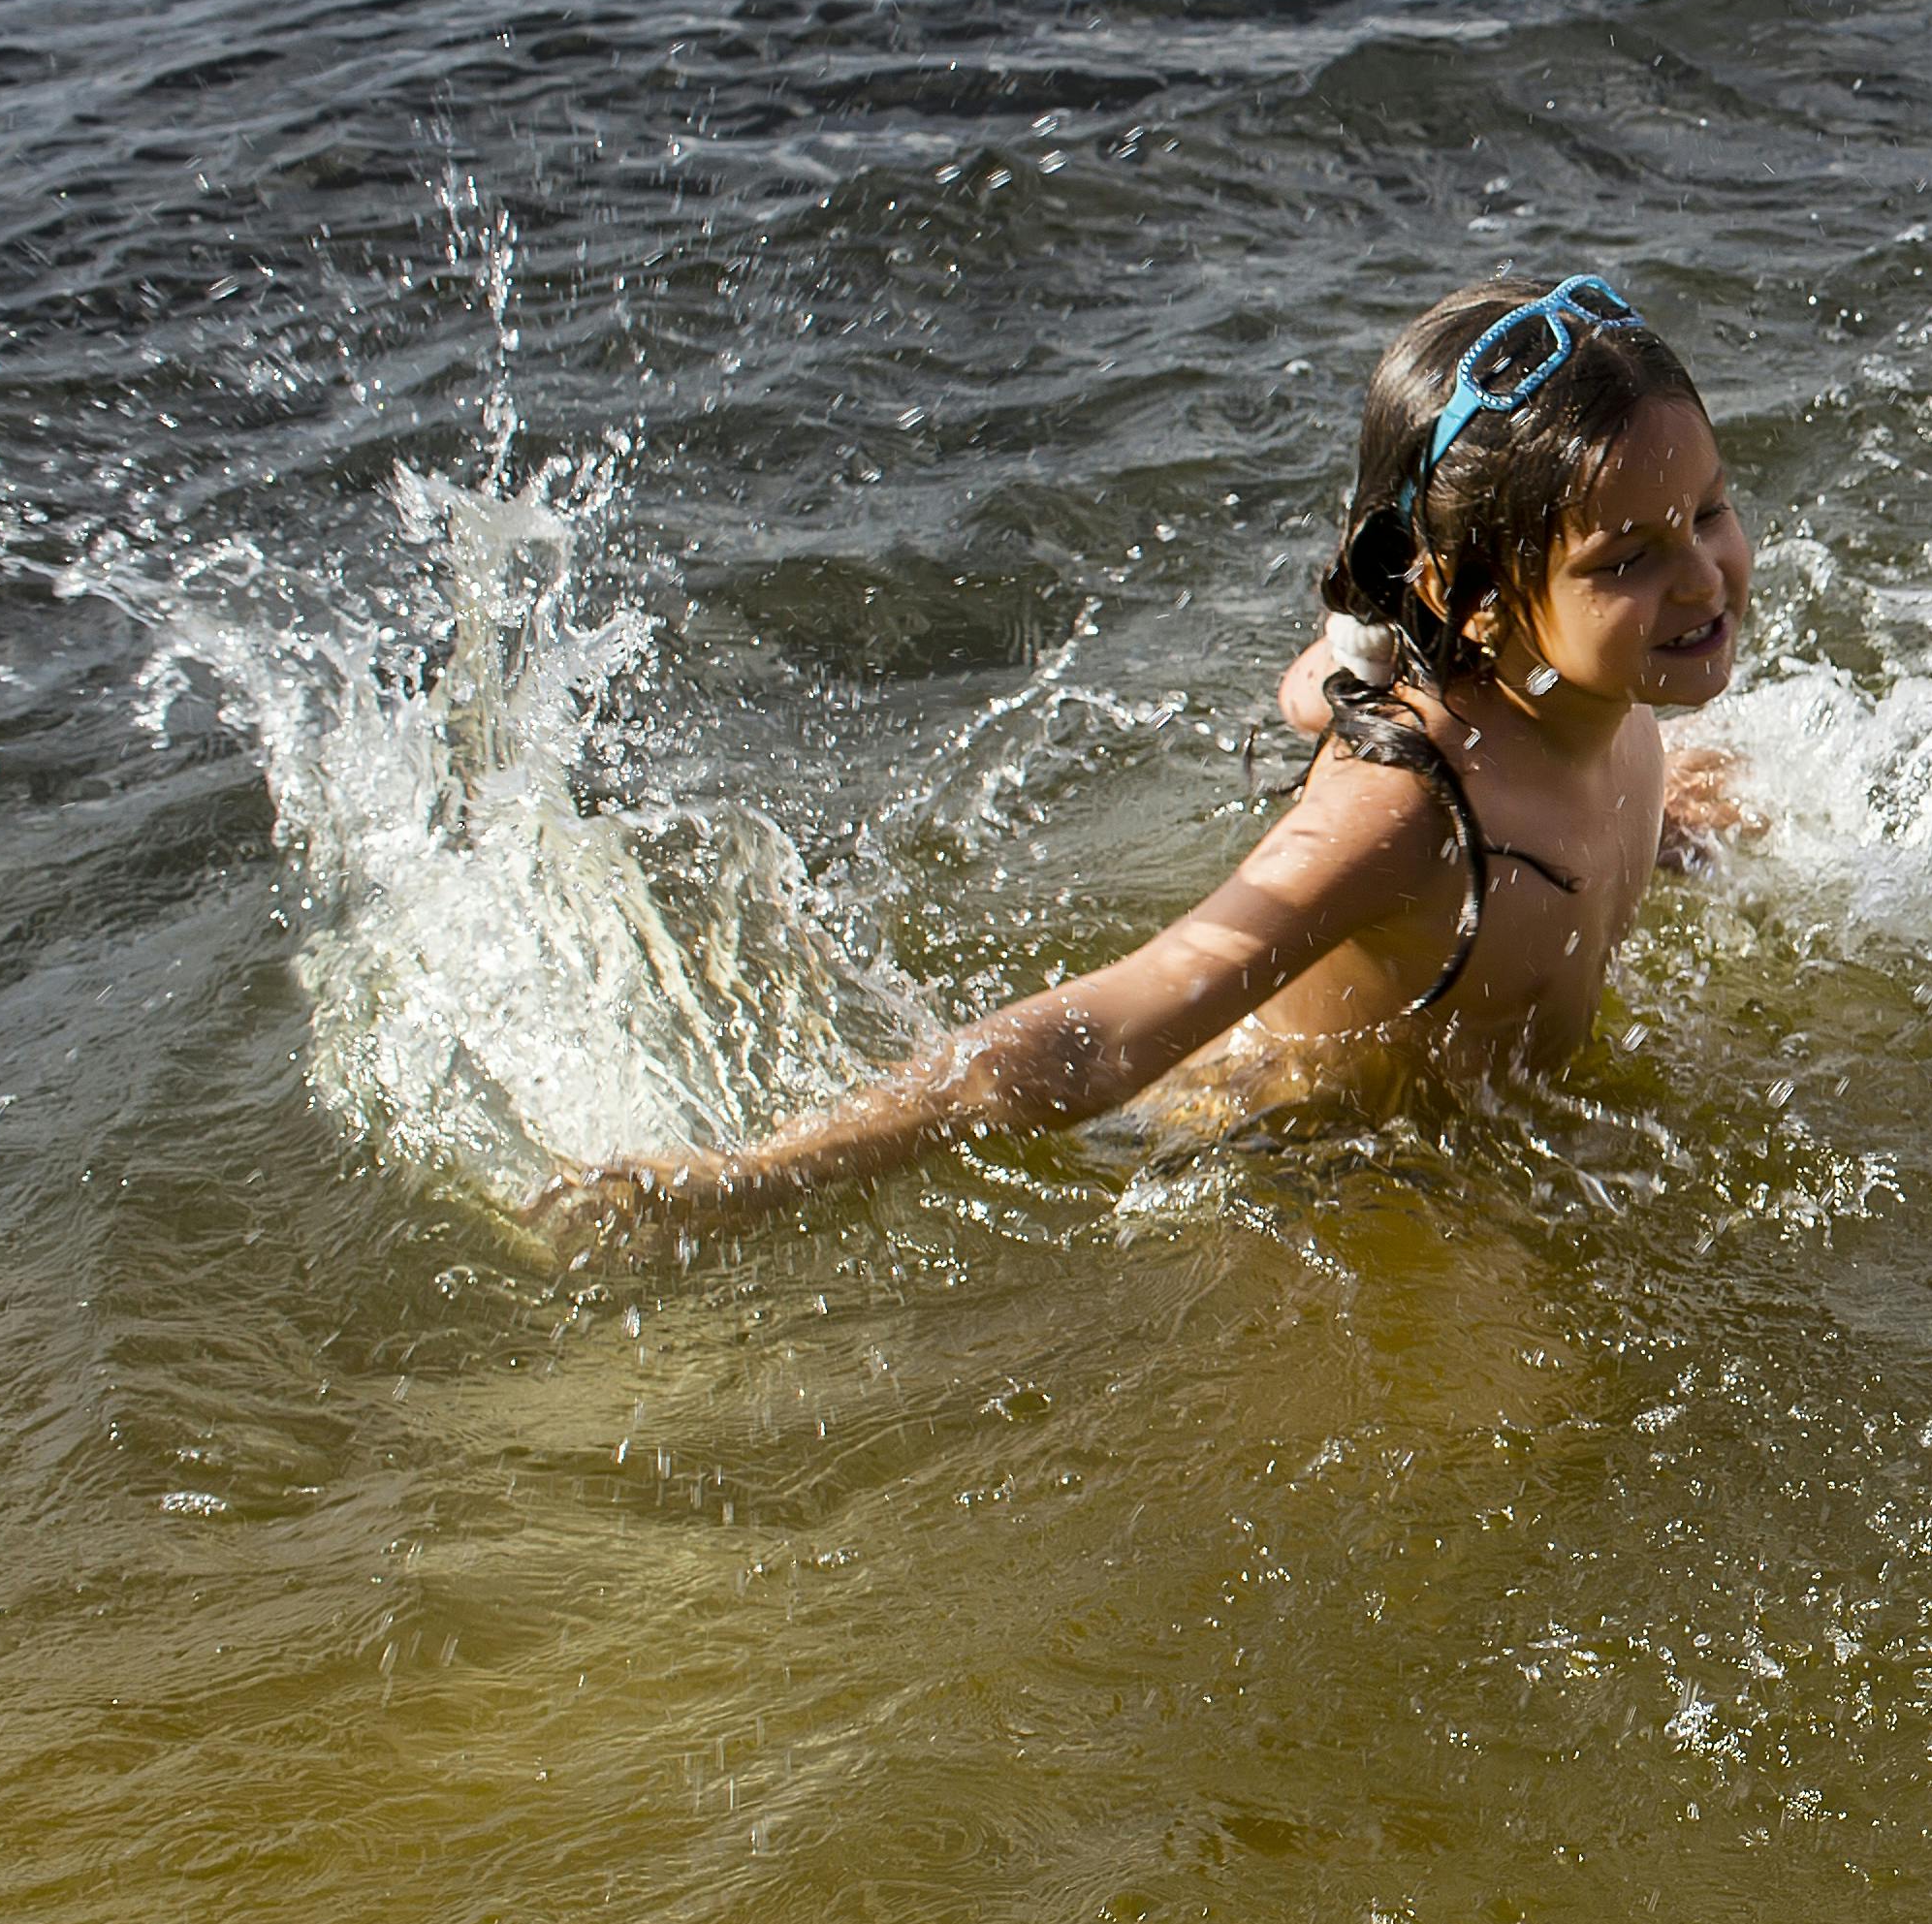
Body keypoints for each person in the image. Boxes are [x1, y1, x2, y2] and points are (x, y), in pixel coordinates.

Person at [529, 273, 1753, 1252]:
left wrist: (1676, 832)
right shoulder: (1413, 815)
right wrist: (755, 1177)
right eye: (1627, 559)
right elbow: (1102, 1033)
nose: (1701, 576)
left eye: (1707, 512)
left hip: (1463, 1130)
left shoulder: (1619, 710)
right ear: (1480, 605)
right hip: (1281, 1174)